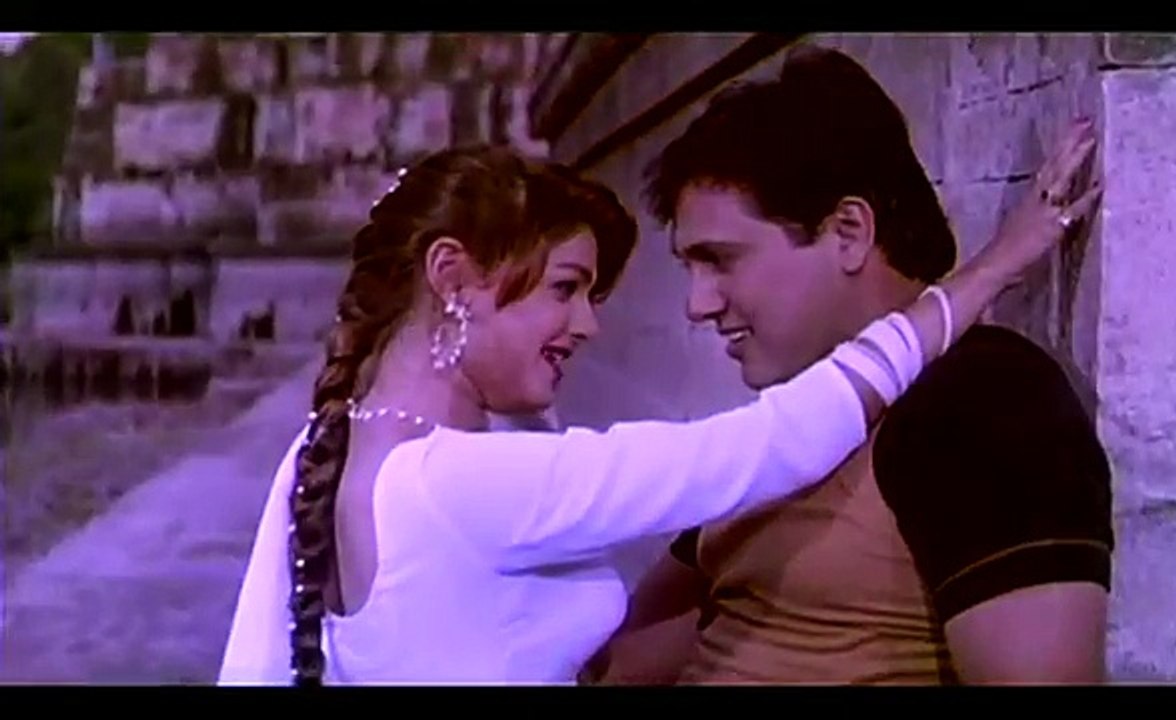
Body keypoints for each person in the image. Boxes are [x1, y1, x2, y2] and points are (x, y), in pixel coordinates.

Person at [217, 124, 1093, 685]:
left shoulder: (329, 447)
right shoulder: (472, 484)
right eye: (565, 287)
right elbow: (772, 443)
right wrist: (994, 267)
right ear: (452, 278)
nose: (586, 325)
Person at [586, 46, 1110, 686]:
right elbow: (627, 654)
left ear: (849, 232)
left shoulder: (982, 398)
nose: (698, 305)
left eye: (720, 259)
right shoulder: (787, 424)